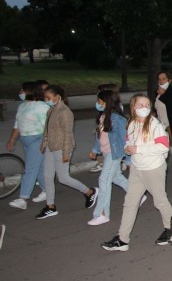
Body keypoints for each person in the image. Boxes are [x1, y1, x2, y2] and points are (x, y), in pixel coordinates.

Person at [102, 94, 172, 251]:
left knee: (160, 201)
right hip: (137, 169)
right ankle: (122, 239)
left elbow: (163, 147)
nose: (144, 108)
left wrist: (138, 149)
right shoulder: (132, 124)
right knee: (130, 203)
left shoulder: (155, 125)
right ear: (133, 107)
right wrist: (127, 148)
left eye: (147, 105)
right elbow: (129, 141)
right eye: (140, 105)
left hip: (154, 168)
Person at [36, 85, 98, 220]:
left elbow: (68, 134)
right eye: (45, 97)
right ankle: (50, 206)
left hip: (61, 148)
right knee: (47, 177)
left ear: (58, 97)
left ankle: (89, 192)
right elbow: (47, 130)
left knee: (63, 178)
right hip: (50, 148)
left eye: (49, 98)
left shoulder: (65, 112)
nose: (47, 100)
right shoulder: (51, 111)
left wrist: (66, 153)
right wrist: (44, 143)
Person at [87, 90, 128, 225]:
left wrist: (128, 159)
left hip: (114, 154)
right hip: (106, 153)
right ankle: (137, 195)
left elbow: (124, 139)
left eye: (100, 101)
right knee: (116, 177)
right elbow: (100, 137)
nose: (97, 104)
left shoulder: (118, 119)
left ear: (107, 102)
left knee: (104, 181)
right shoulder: (103, 116)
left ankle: (102, 214)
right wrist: (95, 150)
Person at [7, 82, 50, 210]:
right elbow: (17, 125)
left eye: (23, 90)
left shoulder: (42, 107)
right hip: (25, 139)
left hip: (38, 139)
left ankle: (23, 198)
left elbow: (48, 126)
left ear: (30, 92)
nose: (21, 92)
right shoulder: (22, 106)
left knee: (30, 168)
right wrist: (12, 140)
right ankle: (47, 191)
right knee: (39, 167)